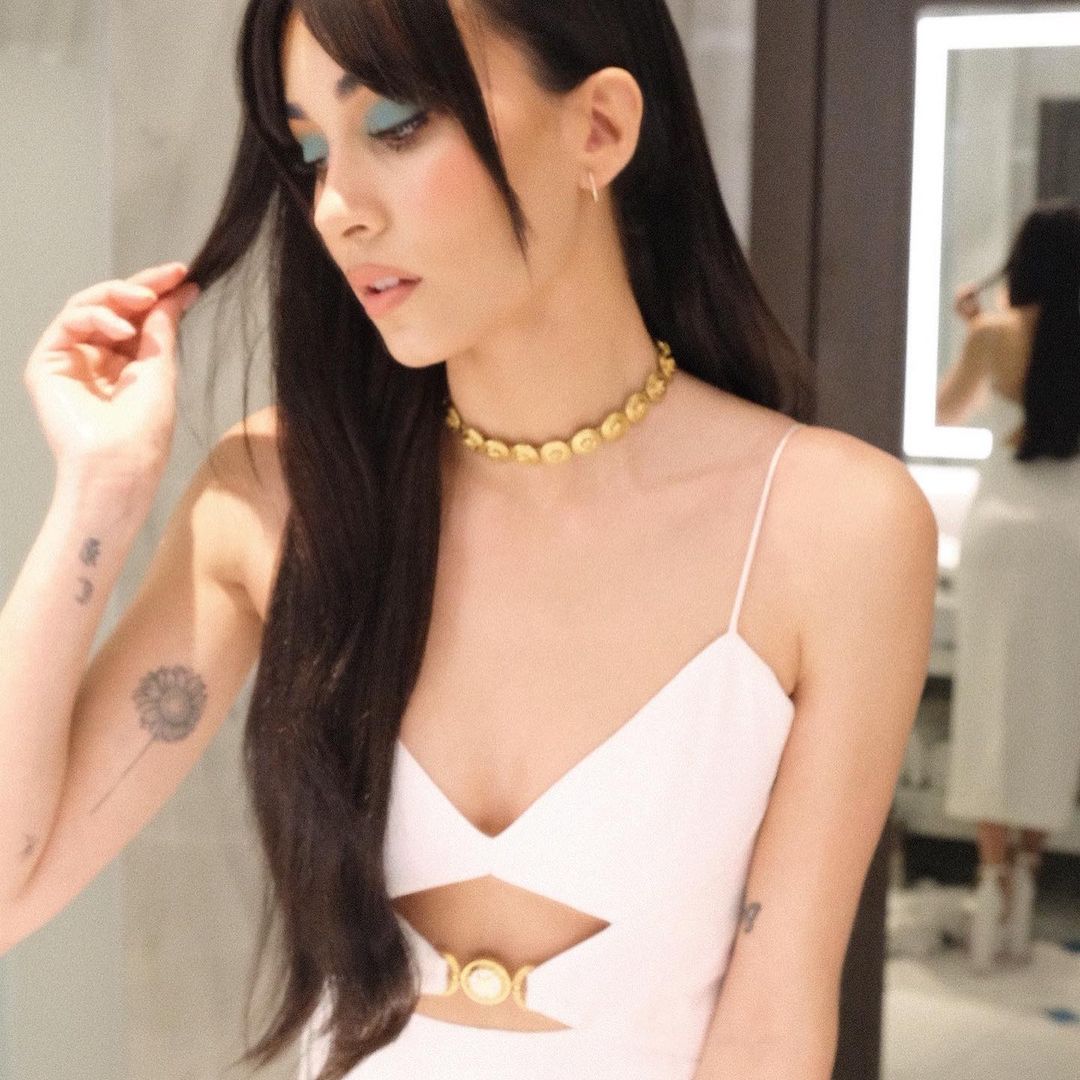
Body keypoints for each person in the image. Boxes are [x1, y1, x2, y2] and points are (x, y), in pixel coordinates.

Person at [0, 1, 938, 1077]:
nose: (336, 209)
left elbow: (774, 1026)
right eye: (311, 153)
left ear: (600, 129)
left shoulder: (832, 529)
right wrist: (99, 493)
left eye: (396, 124)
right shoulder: (278, 501)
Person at [939, 201, 1080, 973]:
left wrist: (976, 330)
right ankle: (1028, 873)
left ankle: (991, 884)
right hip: (1071, 531)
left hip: (1002, 530)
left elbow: (946, 410)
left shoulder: (997, 336)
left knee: (993, 696)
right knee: (1057, 702)